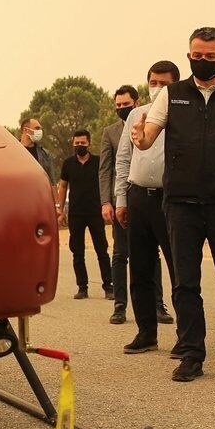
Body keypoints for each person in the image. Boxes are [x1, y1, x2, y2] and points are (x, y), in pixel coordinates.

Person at [131, 27, 215, 385]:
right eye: (196, 56)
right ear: (189, 56)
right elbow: (148, 137)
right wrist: (140, 138)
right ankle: (191, 354)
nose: (202, 61)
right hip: (181, 205)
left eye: (210, 57)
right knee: (186, 284)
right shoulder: (171, 95)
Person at [115, 60, 181, 354]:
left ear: (176, 86)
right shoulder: (136, 115)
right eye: (153, 83)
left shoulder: (184, 115)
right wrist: (121, 199)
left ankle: (186, 335)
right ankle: (146, 332)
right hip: (138, 197)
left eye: (164, 84)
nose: (158, 88)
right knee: (140, 268)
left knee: (179, 269)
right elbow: (123, 158)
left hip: (172, 200)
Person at [57, 130, 114, 301]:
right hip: (75, 213)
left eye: (82, 143)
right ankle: (82, 287)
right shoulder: (68, 164)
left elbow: (106, 181)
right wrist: (60, 209)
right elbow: (63, 186)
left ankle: (108, 286)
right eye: (77, 143)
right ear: (73, 144)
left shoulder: (98, 162)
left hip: (95, 212)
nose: (79, 146)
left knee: (101, 249)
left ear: (89, 144)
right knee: (77, 251)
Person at [100, 85, 140, 322]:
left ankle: (157, 305)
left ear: (137, 103)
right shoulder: (110, 132)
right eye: (118, 105)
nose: (122, 108)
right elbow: (105, 170)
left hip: (146, 198)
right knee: (120, 254)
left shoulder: (151, 124)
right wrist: (106, 201)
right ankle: (120, 306)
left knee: (150, 255)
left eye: (126, 104)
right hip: (120, 199)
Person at [19, 117, 56, 191]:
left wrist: (56, 198)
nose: (40, 131)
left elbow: (52, 182)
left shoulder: (45, 154)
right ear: (26, 130)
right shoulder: (14, 151)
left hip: (39, 194)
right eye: (37, 128)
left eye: (40, 129)